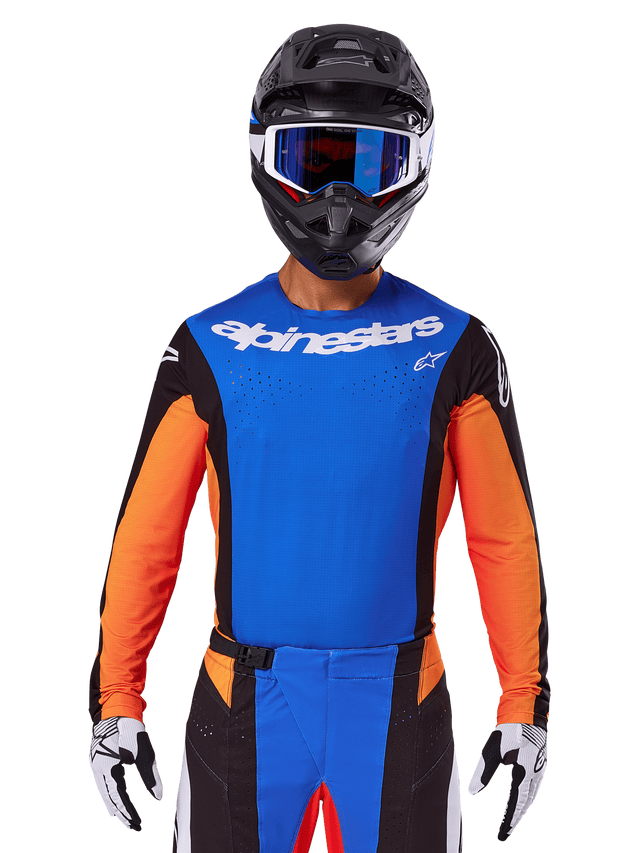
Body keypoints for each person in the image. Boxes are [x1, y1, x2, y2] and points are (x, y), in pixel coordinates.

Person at [87, 23, 550, 853]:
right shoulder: (206, 345)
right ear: (267, 159)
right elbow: (146, 536)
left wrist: (524, 701)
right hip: (246, 702)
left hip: (400, 701)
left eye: (370, 165)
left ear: (415, 166)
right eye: (315, 162)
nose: (340, 199)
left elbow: (503, 536)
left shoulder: (458, 347)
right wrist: (116, 697)